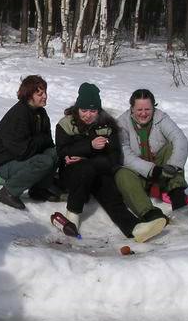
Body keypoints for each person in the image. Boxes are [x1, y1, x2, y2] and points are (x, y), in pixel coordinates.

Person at [55, 83, 166, 242]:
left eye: (93, 111)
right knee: (85, 169)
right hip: (71, 176)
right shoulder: (66, 124)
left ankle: (134, 228)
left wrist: (87, 155)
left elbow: (114, 160)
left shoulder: (108, 125)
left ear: (98, 110)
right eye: (84, 110)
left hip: (99, 173)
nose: (88, 115)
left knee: (109, 190)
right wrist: (90, 146)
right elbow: (61, 151)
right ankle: (72, 216)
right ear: (77, 108)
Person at [115, 89, 188, 223]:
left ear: (153, 108)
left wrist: (172, 167)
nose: (143, 113)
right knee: (121, 173)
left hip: (163, 173)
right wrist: (152, 170)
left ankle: (177, 196)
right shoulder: (122, 123)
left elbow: (180, 139)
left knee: (172, 147)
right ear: (132, 108)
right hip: (139, 176)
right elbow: (124, 154)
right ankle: (150, 213)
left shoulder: (161, 118)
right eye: (139, 109)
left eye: (147, 109)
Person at [0, 75, 61, 210]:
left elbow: (48, 143)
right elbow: (22, 151)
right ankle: (8, 192)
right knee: (44, 161)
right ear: (28, 95)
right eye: (39, 94)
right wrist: (41, 140)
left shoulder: (41, 113)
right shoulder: (19, 114)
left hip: (23, 157)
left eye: (45, 92)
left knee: (57, 153)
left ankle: (38, 189)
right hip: (5, 162)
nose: (44, 96)